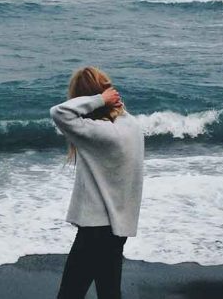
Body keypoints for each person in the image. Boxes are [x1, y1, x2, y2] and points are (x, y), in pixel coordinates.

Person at [49, 65, 145, 299]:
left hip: (95, 230)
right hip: (117, 229)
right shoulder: (131, 126)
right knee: (109, 292)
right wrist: (107, 99)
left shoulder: (101, 134)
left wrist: (98, 99)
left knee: (70, 294)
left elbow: (59, 112)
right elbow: (119, 113)